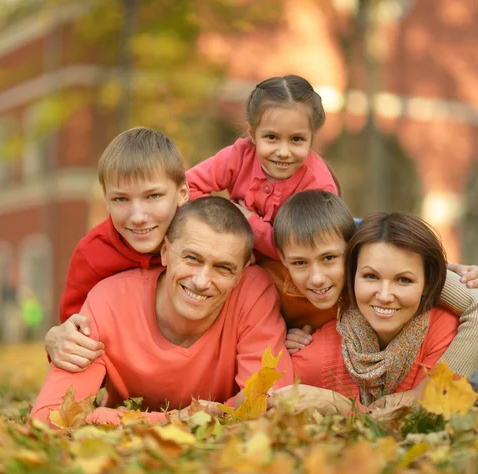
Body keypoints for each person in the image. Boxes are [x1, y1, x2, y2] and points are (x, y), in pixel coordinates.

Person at [30, 197, 294, 427]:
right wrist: (182, 419)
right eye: (192, 258)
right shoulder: (108, 300)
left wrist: (106, 417)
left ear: (241, 273)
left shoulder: (254, 290)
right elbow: (51, 417)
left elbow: (268, 403)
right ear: (166, 252)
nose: (201, 281)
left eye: (223, 268)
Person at [272, 191, 478, 405]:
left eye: (329, 259)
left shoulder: (375, 254)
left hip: (454, 368)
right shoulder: (278, 276)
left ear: (347, 254)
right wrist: (286, 335)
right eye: (300, 263)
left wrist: (426, 393)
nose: (317, 278)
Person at [44, 127, 189, 371]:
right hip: (130, 373)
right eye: (121, 199)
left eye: (153, 196)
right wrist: (58, 339)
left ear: (182, 193)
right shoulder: (92, 254)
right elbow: (74, 333)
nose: (138, 217)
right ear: (106, 200)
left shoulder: (205, 235)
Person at [186, 75, 339, 260]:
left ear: (311, 138)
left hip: (287, 275)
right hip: (235, 255)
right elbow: (187, 187)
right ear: (252, 133)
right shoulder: (240, 155)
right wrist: (229, 220)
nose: (283, 152)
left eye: (296, 139)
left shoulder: (319, 187)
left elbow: (303, 250)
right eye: (272, 137)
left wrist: (250, 223)